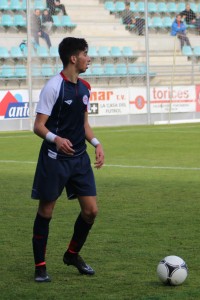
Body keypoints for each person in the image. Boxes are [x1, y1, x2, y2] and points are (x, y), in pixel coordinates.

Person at [31, 37, 104, 283]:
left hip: (80, 160)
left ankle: (72, 255)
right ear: (74, 58)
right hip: (55, 158)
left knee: (91, 211)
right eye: (86, 53)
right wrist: (56, 139)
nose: (89, 58)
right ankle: (40, 266)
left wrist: (96, 143)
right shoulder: (53, 87)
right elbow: (38, 126)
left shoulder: (85, 87)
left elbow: (84, 124)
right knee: (46, 211)